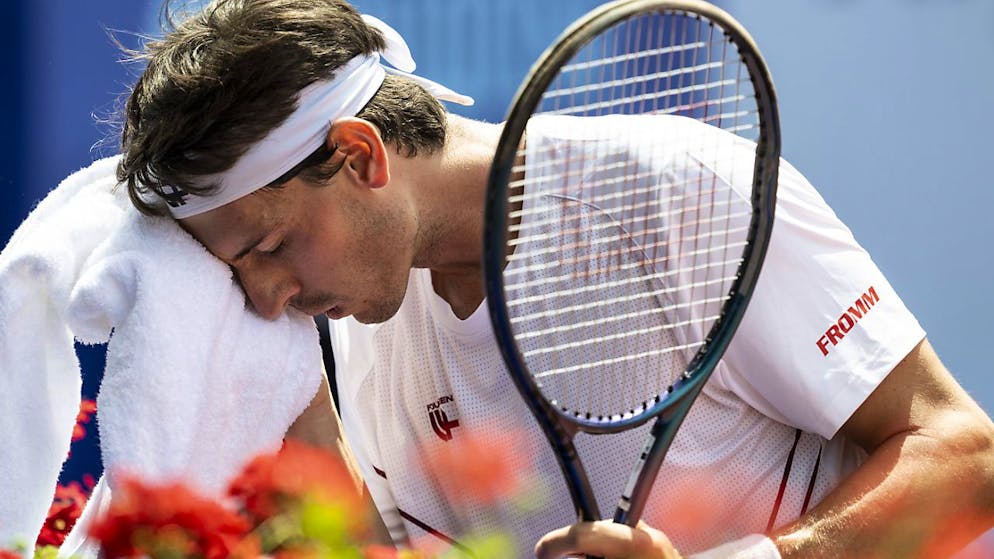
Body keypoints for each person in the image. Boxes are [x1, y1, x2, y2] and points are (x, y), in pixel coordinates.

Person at [118, 0, 994, 557]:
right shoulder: (353, 313)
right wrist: (306, 411)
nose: (267, 296)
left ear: (359, 155)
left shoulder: (688, 189)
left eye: (269, 246)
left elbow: (963, 452)